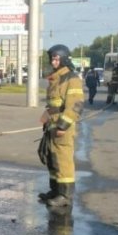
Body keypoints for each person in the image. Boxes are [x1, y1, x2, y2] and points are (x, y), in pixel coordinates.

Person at [38, 44, 84, 211]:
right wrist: (47, 120)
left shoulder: (71, 78)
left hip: (62, 126)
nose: (54, 61)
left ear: (64, 59)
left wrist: (63, 125)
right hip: (52, 124)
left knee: (63, 159)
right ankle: (55, 190)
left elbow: (76, 105)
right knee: (52, 158)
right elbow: (53, 104)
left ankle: (65, 196)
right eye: (52, 58)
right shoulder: (56, 77)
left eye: (57, 58)